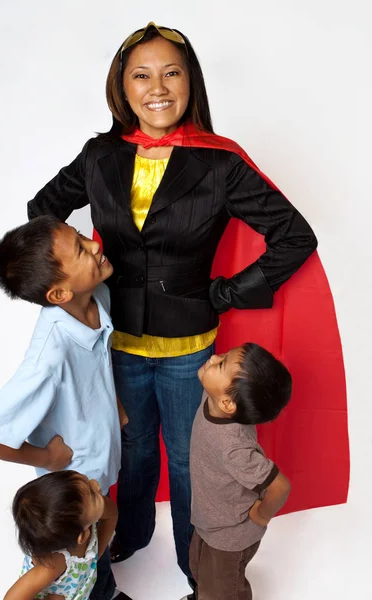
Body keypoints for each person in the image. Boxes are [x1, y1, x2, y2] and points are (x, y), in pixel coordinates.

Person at [26, 21, 318, 594]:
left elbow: (295, 236)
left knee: (191, 462)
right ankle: (130, 534)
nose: (157, 86)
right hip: (118, 344)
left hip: (191, 349)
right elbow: (43, 211)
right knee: (131, 447)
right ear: (122, 87)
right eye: (141, 74)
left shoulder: (220, 163)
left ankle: (193, 555)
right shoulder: (100, 155)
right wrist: (77, 288)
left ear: (191, 83)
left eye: (171, 72)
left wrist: (225, 292)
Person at [0, 216, 131, 600]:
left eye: (80, 237)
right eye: (80, 248)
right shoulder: (49, 355)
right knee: (83, 543)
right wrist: (45, 455)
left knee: (94, 547)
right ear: (58, 294)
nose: (93, 245)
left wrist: (116, 406)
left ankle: (103, 587)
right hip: (77, 482)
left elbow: (98, 361)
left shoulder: (98, 297)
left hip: (101, 456)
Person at [189, 343, 292, 600]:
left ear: (227, 402)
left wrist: (261, 515)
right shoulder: (213, 397)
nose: (213, 357)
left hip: (230, 534)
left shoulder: (234, 447)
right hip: (208, 519)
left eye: (221, 364)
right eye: (222, 357)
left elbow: (279, 486)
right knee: (199, 568)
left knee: (224, 591)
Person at [4, 471, 118, 600]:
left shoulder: (83, 512)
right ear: (82, 536)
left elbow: (111, 515)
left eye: (87, 480)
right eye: (93, 494)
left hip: (85, 586)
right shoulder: (54, 563)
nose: (96, 485)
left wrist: (96, 555)